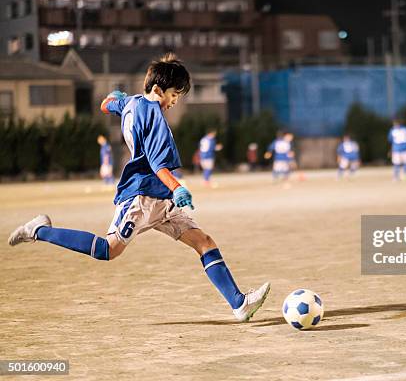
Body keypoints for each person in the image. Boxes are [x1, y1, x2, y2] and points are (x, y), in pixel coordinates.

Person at [8, 53, 270, 322]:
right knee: (108, 250)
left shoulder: (131, 102)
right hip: (141, 197)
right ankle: (39, 230)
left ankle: (239, 304)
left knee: (203, 242)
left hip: (161, 200)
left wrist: (113, 99)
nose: (173, 102)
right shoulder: (155, 116)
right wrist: (178, 188)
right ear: (158, 90)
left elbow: (106, 104)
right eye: (173, 95)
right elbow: (159, 165)